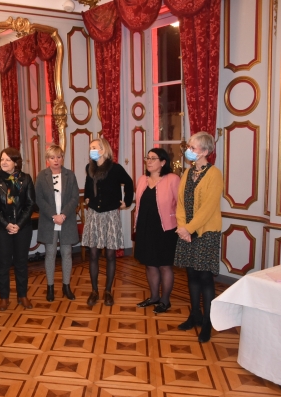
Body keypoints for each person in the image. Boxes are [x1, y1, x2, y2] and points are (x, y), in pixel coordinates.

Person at [174, 132, 222, 343]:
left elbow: (209, 208)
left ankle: (208, 323)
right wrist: (182, 226)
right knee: (191, 275)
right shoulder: (187, 172)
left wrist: (190, 228)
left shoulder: (214, 174)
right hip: (186, 232)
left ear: (205, 151)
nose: (189, 151)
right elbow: (181, 203)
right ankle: (195, 315)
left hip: (205, 232)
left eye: (193, 148)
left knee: (204, 278)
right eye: (189, 147)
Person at [82, 138, 134, 307]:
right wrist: (87, 197)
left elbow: (129, 183)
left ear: (103, 150)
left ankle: (108, 291)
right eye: (90, 148)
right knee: (94, 254)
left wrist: (127, 201)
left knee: (110, 255)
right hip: (94, 215)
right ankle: (94, 291)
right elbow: (88, 186)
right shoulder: (89, 168)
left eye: (94, 147)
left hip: (111, 214)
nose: (91, 150)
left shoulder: (115, 168)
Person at [0, 147, 36, 311]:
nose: (4, 162)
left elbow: (30, 204)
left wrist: (19, 224)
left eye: (7, 159)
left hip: (22, 227)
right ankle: (4, 297)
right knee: (3, 263)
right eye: (2, 159)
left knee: (21, 263)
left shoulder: (26, 179)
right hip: (2, 228)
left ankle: (22, 295)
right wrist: (7, 224)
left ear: (16, 162)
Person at [134, 148, 180, 314]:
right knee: (150, 264)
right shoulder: (142, 180)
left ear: (163, 162)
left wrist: (182, 226)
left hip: (165, 229)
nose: (149, 161)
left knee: (164, 266)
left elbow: (180, 205)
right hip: (145, 228)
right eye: (148, 158)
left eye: (153, 158)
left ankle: (165, 300)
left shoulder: (172, 179)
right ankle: (154, 297)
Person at [35, 145, 79, 302]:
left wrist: (63, 215)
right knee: (50, 254)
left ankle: (66, 286)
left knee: (67, 253)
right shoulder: (41, 176)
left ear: (62, 158)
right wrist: (54, 215)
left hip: (66, 221)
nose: (56, 160)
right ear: (47, 160)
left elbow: (75, 198)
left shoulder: (70, 175)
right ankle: (50, 287)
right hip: (49, 220)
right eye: (52, 157)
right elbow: (38, 199)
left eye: (59, 157)